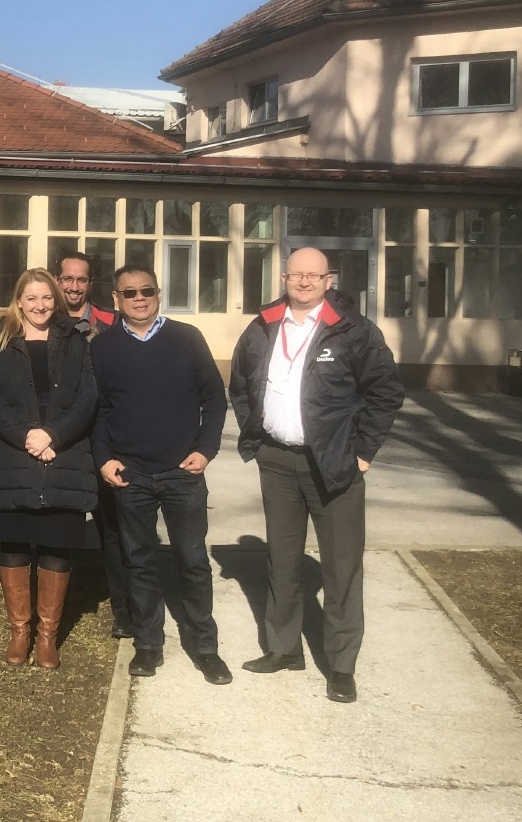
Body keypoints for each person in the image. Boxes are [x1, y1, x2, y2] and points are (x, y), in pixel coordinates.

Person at [229, 247, 404, 703]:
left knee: (341, 567)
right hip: (278, 463)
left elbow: (385, 392)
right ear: (284, 277)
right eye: (296, 275)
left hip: (335, 465)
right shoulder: (264, 326)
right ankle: (283, 648)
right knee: (281, 560)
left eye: (314, 275)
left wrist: (362, 452)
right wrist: (258, 433)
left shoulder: (354, 331)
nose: (304, 282)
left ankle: (341, 666)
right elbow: (242, 384)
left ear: (330, 279)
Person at [91, 263, 230, 684]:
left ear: (158, 294)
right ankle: (148, 645)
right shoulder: (104, 347)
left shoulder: (186, 339)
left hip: (181, 474)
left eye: (146, 290)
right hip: (130, 475)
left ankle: (205, 646)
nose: (139, 298)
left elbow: (215, 400)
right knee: (140, 562)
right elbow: (97, 411)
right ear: (116, 299)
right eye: (129, 292)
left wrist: (205, 450)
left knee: (192, 561)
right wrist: (104, 458)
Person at [0, 269, 98, 668]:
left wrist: (53, 437)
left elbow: (87, 397)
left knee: (56, 544)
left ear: (56, 299)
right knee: (13, 544)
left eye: (47, 297)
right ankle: (19, 633)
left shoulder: (75, 340)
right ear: (18, 301)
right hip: (14, 455)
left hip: (64, 455)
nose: (40, 306)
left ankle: (47, 636)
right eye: (31, 299)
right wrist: (27, 436)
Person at [58, 251, 131, 640]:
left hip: (104, 441)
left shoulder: (111, 324)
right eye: (67, 279)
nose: (73, 286)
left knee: (113, 529)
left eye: (81, 280)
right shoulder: (41, 321)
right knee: (60, 527)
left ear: (91, 284)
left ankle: (124, 608)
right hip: (61, 442)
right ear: (58, 280)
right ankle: (57, 607)